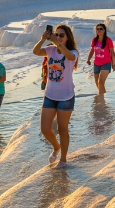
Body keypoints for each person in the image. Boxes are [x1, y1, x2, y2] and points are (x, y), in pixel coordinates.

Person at [33, 24, 78, 168]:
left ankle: (63, 159)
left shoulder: (72, 52)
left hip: (66, 97)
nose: (58, 37)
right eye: (56, 34)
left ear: (67, 37)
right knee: (45, 129)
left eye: (61, 35)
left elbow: (70, 57)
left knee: (62, 129)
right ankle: (56, 147)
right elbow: (36, 51)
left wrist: (57, 42)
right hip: (50, 95)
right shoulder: (50, 50)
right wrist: (42, 39)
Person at [86, 23, 115, 95]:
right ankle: (104, 99)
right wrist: (88, 59)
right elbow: (92, 50)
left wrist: (113, 64)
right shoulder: (94, 40)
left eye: (101, 29)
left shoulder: (108, 40)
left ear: (104, 30)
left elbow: (112, 53)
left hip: (106, 63)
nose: (99, 30)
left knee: (101, 83)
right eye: (97, 29)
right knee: (98, 85)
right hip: (96, 64)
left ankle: (101, 101)